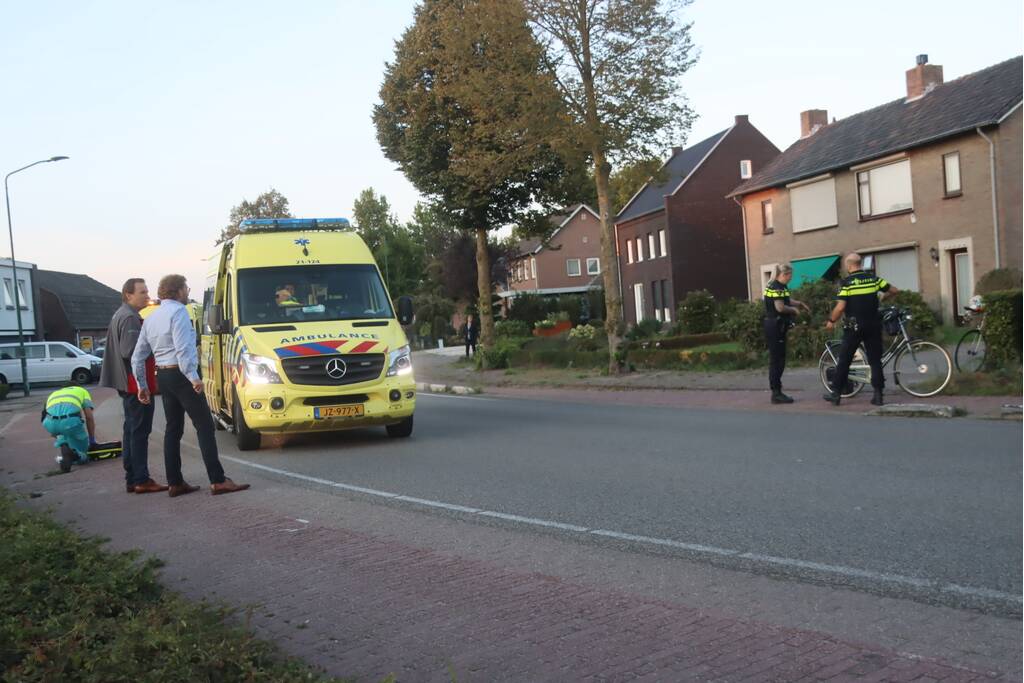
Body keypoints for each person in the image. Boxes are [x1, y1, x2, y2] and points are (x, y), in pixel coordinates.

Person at [132, 274, 249, 497]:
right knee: (204, 425)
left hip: (163, 376)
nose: (188, 292)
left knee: (172, 429)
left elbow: (138, 356)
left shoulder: (152, 318)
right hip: (181, 374)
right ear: (177, 291)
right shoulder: (178, 313)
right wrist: (194, 377)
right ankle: (218, 480)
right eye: (186, 288)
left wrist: (142, 384)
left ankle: (174, 482)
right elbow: (183, 348)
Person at [100, 278, 167, 494]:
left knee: (131, 430)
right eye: (142, 292)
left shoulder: (121, 314)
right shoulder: (129, 318)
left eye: (147, 291)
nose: (147, 295)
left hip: (127, 382)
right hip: (134, 384)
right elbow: (131, 352)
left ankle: (133, 477)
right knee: (139, 431)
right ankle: (141, 478)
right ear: (128, 295)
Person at [823, 253, 900, 407]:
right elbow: (894, 290)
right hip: (873, 324)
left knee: (844, 359)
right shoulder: (874, 279)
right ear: (860, 264)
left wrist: (831, 321)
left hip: (854, 327)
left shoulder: (847, 283)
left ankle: (836, 394)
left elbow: (840, 307)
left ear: (849, 265)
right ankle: (878, 395)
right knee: (875, 360)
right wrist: (881, 298)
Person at [763, 264, 810, 404]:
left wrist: (799, 303)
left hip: (776, 325)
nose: (791, 278)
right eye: (790, 275)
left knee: (779, 359)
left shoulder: (779, 286)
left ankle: (777, 391)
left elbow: (787, 300)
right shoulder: (776, 287)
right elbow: (780, 307)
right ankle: (776, 393)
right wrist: (794, 311)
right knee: (777, 360)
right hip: (775, 326)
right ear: (784, 274)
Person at [42, 384, 99, 474]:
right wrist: (92, 441)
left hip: (49, 422)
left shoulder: (54, 393)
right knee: (84, 455)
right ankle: (76, 455)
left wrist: (55, 434)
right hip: (70, 421)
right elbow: (89, 417)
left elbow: (43, 418)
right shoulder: (82, 391)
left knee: (60, 430)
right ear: (77, 386)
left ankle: (63, 443)